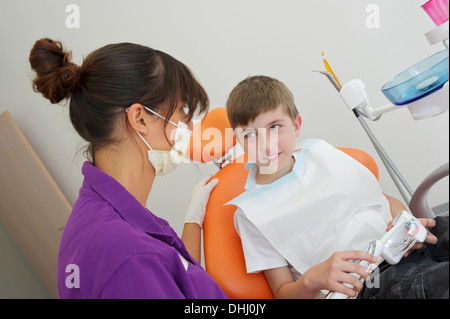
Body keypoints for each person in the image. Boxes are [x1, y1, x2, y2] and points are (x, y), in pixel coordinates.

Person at [29, 38, 228, 299]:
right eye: (182, 109)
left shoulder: (113, 220)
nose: (190, 126)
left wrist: (193, 223)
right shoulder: (126, 253)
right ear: (140, 118)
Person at [226, 75, 448, 299]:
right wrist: (312, 279)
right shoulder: (251, 215)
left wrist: (405, 222)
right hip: (366, 284)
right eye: (250, 135)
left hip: (402, 248)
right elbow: (282, 293)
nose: (266, 144)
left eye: (274, 127)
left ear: (296, 125)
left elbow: (383, 200)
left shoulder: (322, 154)